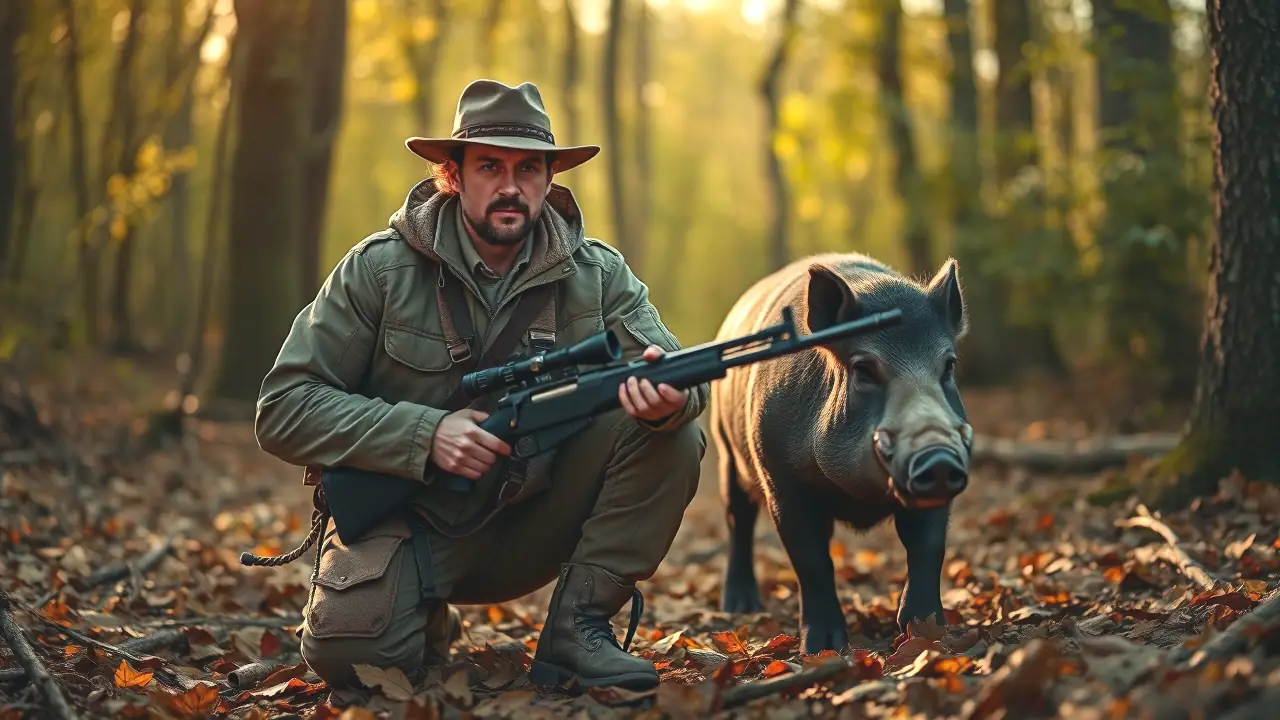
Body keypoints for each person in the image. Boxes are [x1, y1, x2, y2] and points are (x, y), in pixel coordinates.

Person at [252, 79, 708, 703]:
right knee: (351, 660)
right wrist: (426, 434)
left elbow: (672, 368)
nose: (511, 186)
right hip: (412, 523)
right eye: (489, 166)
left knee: (675, 429)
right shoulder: (377, 270)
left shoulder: (599, 274)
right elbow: (282, 406)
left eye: (529, 168)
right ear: (452, 174)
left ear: (551, 179)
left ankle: (579, 628)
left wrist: (673, 399)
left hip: (539, 516)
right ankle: (420, 614)